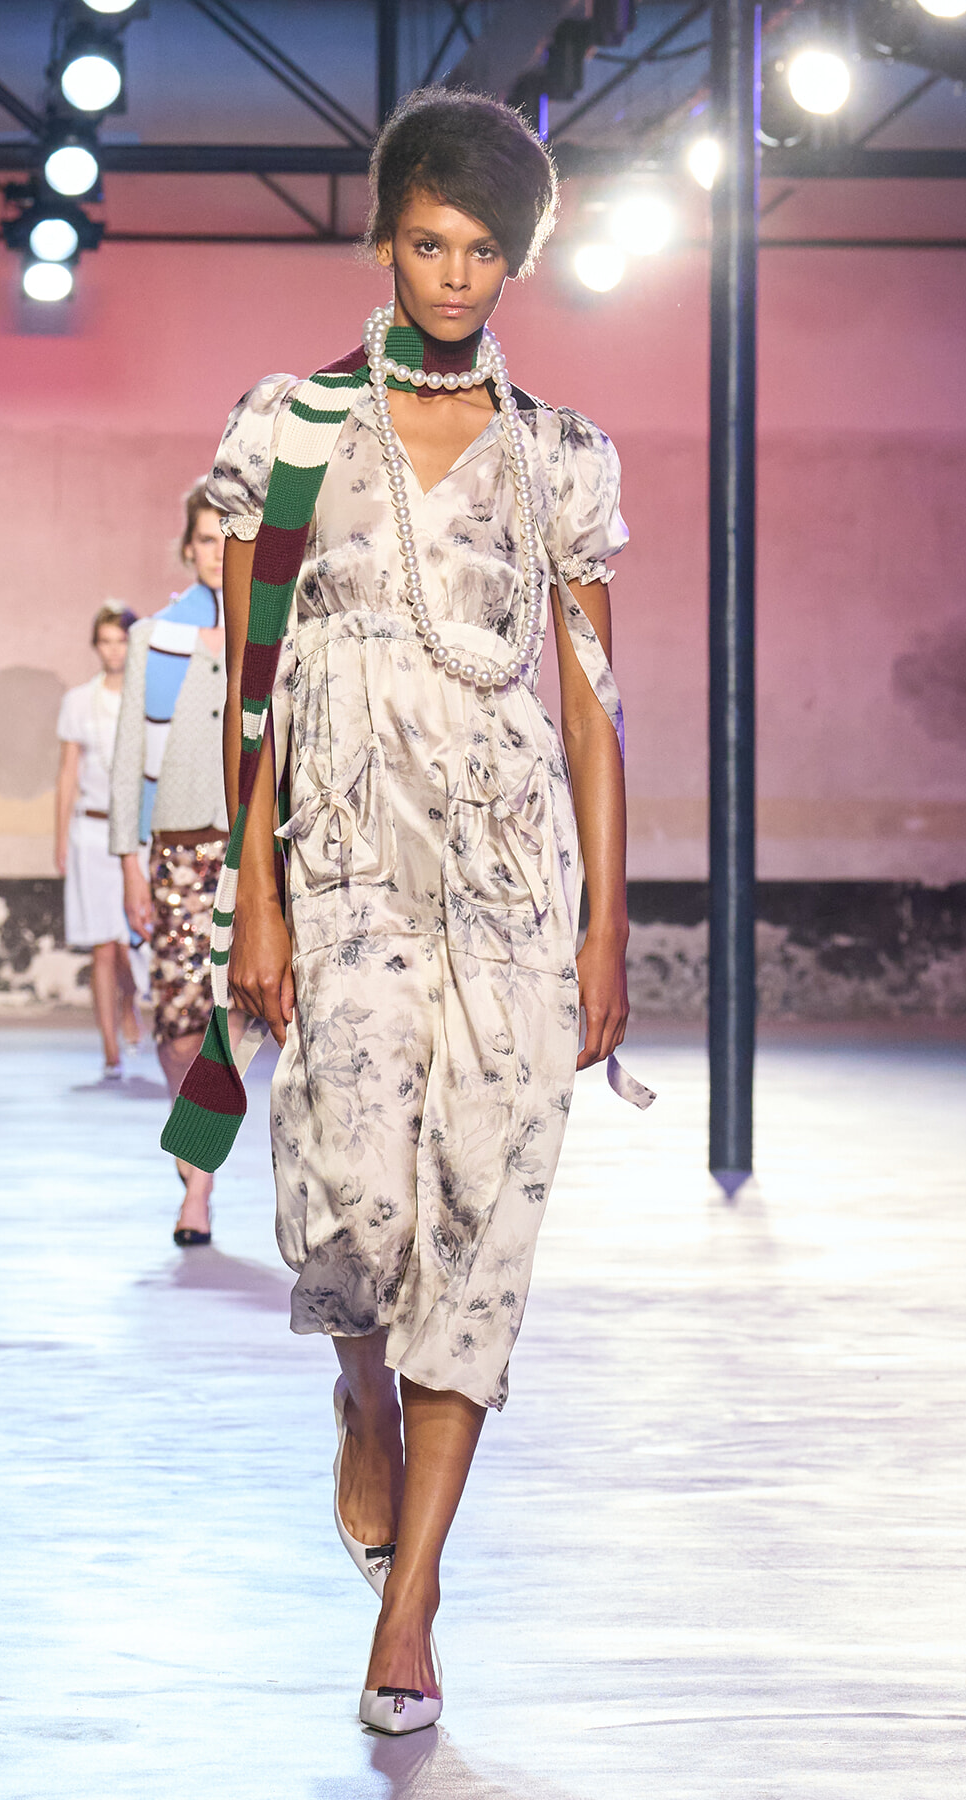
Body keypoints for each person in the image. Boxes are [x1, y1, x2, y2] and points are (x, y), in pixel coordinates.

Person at [165, 87, 652, 1733]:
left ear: (519, 258)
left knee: (481, 1236)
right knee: (351, 1221)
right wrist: (254, 898)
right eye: (429, 243)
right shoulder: (290, 430)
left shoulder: (559, 456)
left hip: (516, 903)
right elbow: (246, 686)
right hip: (350, 881)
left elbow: (593, 703)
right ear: (386, 238)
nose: (456, 275)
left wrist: (605, 926)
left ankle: (415, 1609)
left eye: (484, 252)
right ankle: (359, 1394)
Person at [110, 482, 228, 1246]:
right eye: (208, 539)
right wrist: (129, 864)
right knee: (182, 1025)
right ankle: (196, 1166)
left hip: (262, 853)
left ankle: (202, 1187)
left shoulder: (277, 637)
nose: (220, 552)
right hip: (178, 853)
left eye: (231, 538)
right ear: (188, 547)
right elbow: (127, 759)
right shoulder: (155, 637)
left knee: (251, 1024)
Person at [55, 602, 141, 1078]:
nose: (113, 650)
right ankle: (109, 1045)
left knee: (130, 943)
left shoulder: (146, 699)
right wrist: (59, 839)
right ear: (96, 646)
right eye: (105, 640)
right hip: (90, 830)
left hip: (137, 835)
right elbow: (67, 773)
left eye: (121, 640)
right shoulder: (78, 701)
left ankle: (130, 1005)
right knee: (102, 948)